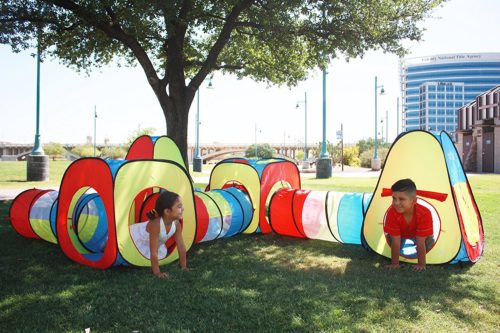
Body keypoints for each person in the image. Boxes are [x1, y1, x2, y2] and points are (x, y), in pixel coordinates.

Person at [130, 190, 188, 278]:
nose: (183, 208)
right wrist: (157, 273)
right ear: (167, 211)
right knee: (115, 244)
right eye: (179, 206)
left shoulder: (176, 224)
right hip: (134, 237)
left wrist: (184, 266)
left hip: (150, 244)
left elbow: (181, 246)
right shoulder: (156, 225)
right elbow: (154, 251)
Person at [384, 178, 434, 272]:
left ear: (414, 201)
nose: (396, 202)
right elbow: (395, 240)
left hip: (419, 236)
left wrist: (421, 264)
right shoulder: (392, 212)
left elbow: (420, 242)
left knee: (429, 242)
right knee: (391, 240)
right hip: (400, 235)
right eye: (394, 198)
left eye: (401, 199)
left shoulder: (424, 213)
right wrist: (395, 264)